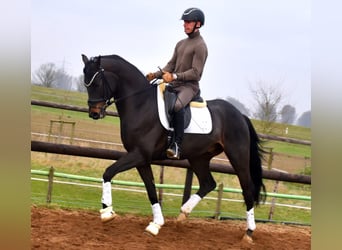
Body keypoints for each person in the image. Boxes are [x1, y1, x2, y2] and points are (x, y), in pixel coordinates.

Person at [146, 7, 208, 160]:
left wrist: (173, 76)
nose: (185, 25)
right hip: (175, 85)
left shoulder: (200, 46)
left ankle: (176, 145)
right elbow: (170, 65)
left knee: (177, 106)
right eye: (184, 22)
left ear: (198, 24)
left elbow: (196, 73)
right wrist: (156, 74)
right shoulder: (181, 43)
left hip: (189, 87)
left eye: (188, 22)